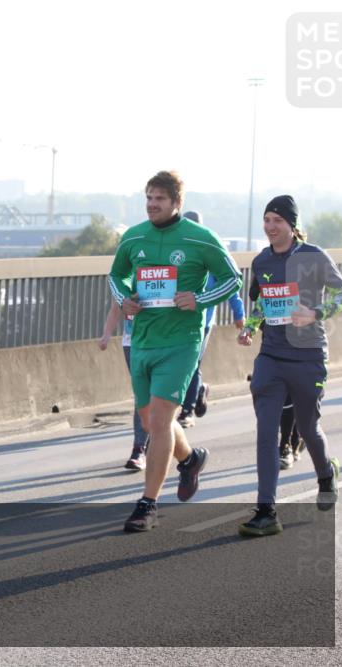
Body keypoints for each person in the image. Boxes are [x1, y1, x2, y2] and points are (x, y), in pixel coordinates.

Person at [108, 170, 242, 532]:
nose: (152, 204)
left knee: (161, 422)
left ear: (176, 203)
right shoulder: (135, 236)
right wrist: (125, 300)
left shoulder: (201, 239)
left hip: (181, 344)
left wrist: (198, 300)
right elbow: (116, 275)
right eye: (149, 198)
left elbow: (233, 279)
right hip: (143, 341)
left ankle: (147, 504)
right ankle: (191, 458)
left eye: (160, 199)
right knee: (152, 420)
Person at [237, 195, 342, 537]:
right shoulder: (261, 261)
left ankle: (326, 473)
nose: (270, 226)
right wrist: (251, 327)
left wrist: (315, 313)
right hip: (271, 357)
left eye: (277, 220)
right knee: (266, 432)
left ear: (292, 225)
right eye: (267, 219)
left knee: (308, 426)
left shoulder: (313, 256)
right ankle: (266, 510)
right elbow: (263, 304)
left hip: (308, 355)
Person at [176, 210, 246, 428]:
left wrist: (239, 313)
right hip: (176, 320)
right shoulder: (178, 252)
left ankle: (186, 412)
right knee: (178, 365)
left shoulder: (209, 251)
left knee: (192, 364)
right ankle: (199, 390)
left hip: (203, 321)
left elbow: (231, 286)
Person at [248, 275, 305, 470]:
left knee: (298, 394)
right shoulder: (266, 262)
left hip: (300, 340)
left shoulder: (307, 263)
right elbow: (253, 294)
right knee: (281, 394)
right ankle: (285, 445)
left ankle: (298, 436)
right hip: (272, 340)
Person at [99, 302, 149, 470]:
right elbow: (115, 308)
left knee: (159, 397)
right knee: (142, 395)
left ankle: (161, 441)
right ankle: (139, 449)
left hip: (160, 343)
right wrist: (106, 335)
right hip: (132, 344)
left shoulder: (162, 276)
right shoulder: (125, 279)